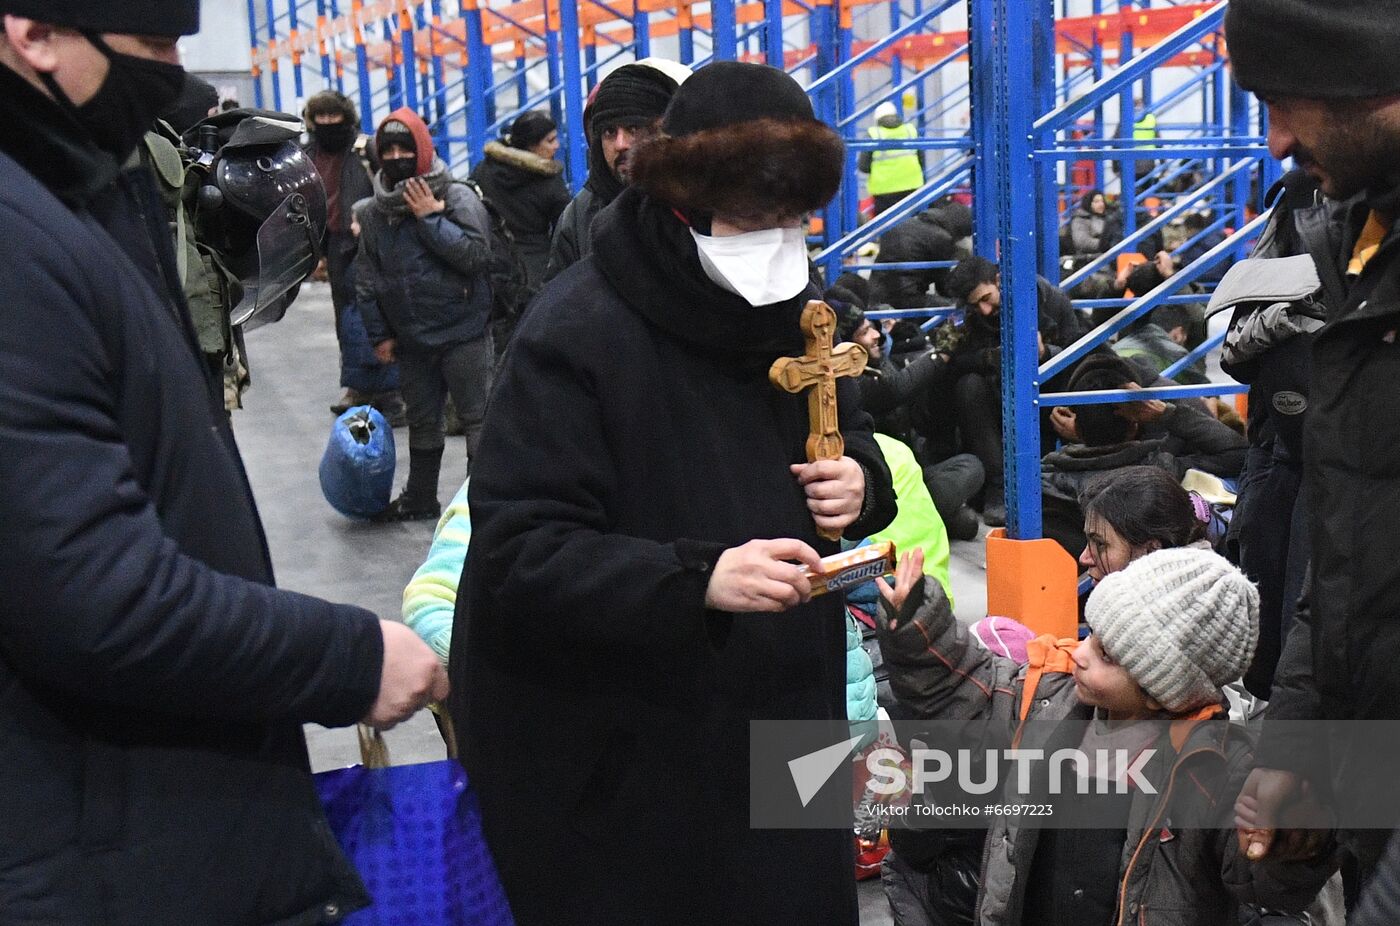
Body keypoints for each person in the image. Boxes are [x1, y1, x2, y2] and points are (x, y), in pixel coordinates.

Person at [0, 4, 447, 922]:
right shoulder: (22, 235)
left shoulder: (76, 201)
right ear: (33, 34)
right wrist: (347, 657)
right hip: (103, 842)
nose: (182, 81)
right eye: (155, 49)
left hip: (145, 814)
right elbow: (94, 595)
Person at [451, 61, 897, 924]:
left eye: (793, 218)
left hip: (782, 708)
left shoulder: (797, 311)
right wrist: (697, 580)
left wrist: (861, 481)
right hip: (634, 733)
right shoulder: (578, 332)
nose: (776, 241)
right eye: (751, 218)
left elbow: (851, 426)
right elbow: (520, 547)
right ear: (684, 201)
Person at [873, 545, 1336, 925]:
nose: (1080, 654)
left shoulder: (1211, 770)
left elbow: (1260, 876)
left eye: (1107, 655)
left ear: (1162, 689)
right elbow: (965, 687)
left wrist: (1292, 840)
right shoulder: (1043, 699)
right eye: (1091, 634)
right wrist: (918, 626)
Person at [1224, 0, 1400, 898]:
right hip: (1289, 456)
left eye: (1288, 102)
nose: (1279, 139)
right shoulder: (1321, 223)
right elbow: (1345, 564)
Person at [356, 107, 496, 521]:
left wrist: (431, 219)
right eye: (389, 149)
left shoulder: (457, 197)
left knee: (478, 421)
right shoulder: (374, 212)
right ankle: (420, 499)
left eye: (406, 147)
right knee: (422, 422)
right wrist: (379, 334)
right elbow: (367, 278)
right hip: (412, 339)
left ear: (422, 149)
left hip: (464, 332)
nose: (397, 156)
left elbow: (476, 257)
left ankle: (480, 506)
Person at [1041, 354, 1246, 556]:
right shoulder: (1161, 469)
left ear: (1075, 423)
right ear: (1135, 423)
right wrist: (1167, 414)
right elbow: (1238, 453)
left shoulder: (1045, 477)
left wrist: (1088, 431)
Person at [937, 255, 1089, 525]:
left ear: (998, 280)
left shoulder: (1050, 302)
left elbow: (1077, 353)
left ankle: (1040, 480)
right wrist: (988, 358)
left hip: (1046, 390)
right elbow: (954, 365)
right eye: (976, 305)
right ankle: (999, 486)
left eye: (986, 298)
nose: (984, 310)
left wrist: (1045, 353)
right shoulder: (969, 316)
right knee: (967, 386)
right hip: (993, 401)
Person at [302, 89, 398, 417]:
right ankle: (356, 387)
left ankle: (391, 390)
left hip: (369, 242)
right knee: (346, 319)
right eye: (321, 117)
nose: (328, 123)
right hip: (334, 244)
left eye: (334, 116)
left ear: (347, 116)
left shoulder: (364, 149)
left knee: (380, 314)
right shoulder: (307, 154)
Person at [543, 60, 683, 281]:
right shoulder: (579, 215)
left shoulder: (700, 205)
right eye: (609, 132)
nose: (620, 144)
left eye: (633, 128)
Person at [469, 109, 570, 295]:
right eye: (550, 140)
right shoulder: (549, 182)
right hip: (538, 273)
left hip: (492, 270)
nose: (556, 146)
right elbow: (565, 229)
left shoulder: (484, 170)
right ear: (530, 145)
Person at [869, 198, 972, 308]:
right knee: (958, 307)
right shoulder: (943, 239)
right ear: (960, 232)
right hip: (905, 298)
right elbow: (943, 285)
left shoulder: (912, 222)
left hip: (876, 293)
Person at [860, 100, 925, 216]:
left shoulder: (873, 134)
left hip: (883, 191)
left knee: (887, 228)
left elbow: (863, 167)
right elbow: (922, 159)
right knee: (912, 225)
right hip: (912, 186)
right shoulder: (910, 130)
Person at [1066, 189, 1123, 256]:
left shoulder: (1110, 217)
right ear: (1088, 203)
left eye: (1102, 201)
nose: (1101, 204)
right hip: (1089, 258)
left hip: (1110, 254)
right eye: (1096, 202)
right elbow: (1082, 242)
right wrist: (1106, 244)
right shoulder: (1080, 219)